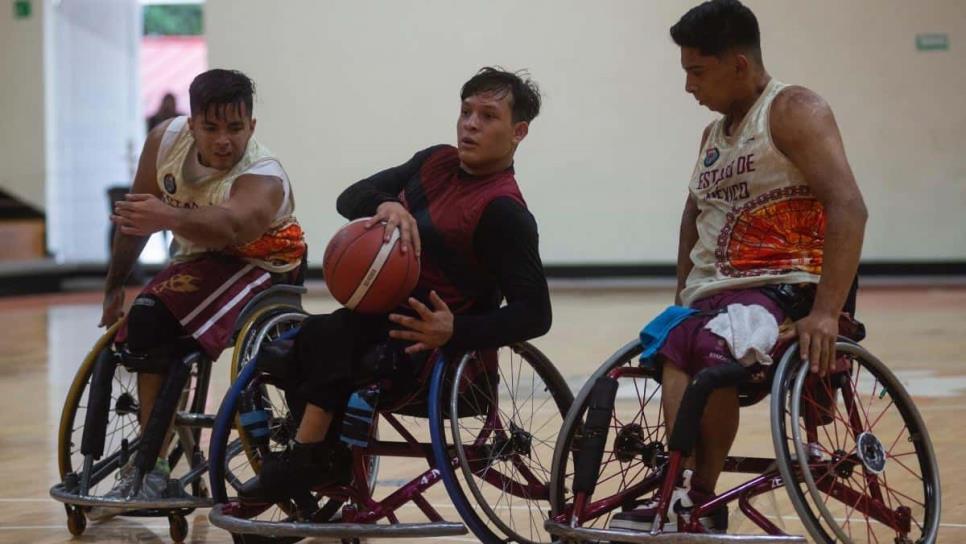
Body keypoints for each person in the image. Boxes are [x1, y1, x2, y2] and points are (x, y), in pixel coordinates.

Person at [241, 67, 552, 513]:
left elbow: (535, 314)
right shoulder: (434, 162)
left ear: (518, 132)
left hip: (431, 355)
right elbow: (351, 197)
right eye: (466, 112)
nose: (470, 124)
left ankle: (304, 458)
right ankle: (325, 459)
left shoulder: (503, 211)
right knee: (300, 341)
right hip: (378, 322)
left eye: (488, 116)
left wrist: (454, 330)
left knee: (335, 337)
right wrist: (385, 204)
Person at [609, 0, 867, 533]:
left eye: (696, 72)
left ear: (739, 65)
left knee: (709, 346)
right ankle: (682, 492)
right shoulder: (712, 138)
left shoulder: (793, 110)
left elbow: (849, 206)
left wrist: (826, 312)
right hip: (716, 294)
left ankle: (697, 496)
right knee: (674, 343)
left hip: (784, 288)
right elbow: (692, 216)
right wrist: (684, 295)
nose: (688, 87)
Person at [94, 69, 306, 515]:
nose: (224, 140)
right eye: (211, 128)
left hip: (261, 264)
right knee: (145, 320)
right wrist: (115, 284)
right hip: (196, 260)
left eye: (235, 127)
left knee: (162, 317)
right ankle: (149, 465)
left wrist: (165, 217)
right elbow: (138, 218)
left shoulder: (263, 176)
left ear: (252, 126)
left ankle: (149, 464)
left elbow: (231, 225)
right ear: (191, 126)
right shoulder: (163, 143)